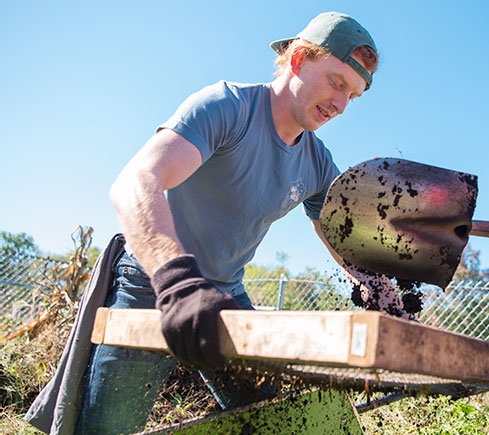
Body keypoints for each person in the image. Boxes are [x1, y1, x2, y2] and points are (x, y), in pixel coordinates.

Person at [55, 11, 406, 434]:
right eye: (336, 82)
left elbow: (341, 232)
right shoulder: (228, 107)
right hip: (154, 283)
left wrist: (380, 291)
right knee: (106, 429)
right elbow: (136, 181)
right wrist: (176, 280)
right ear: (297, 60)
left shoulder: (316, 162)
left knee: (279, 419)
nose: (340, 105)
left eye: (353, 95)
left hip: (225, 294)